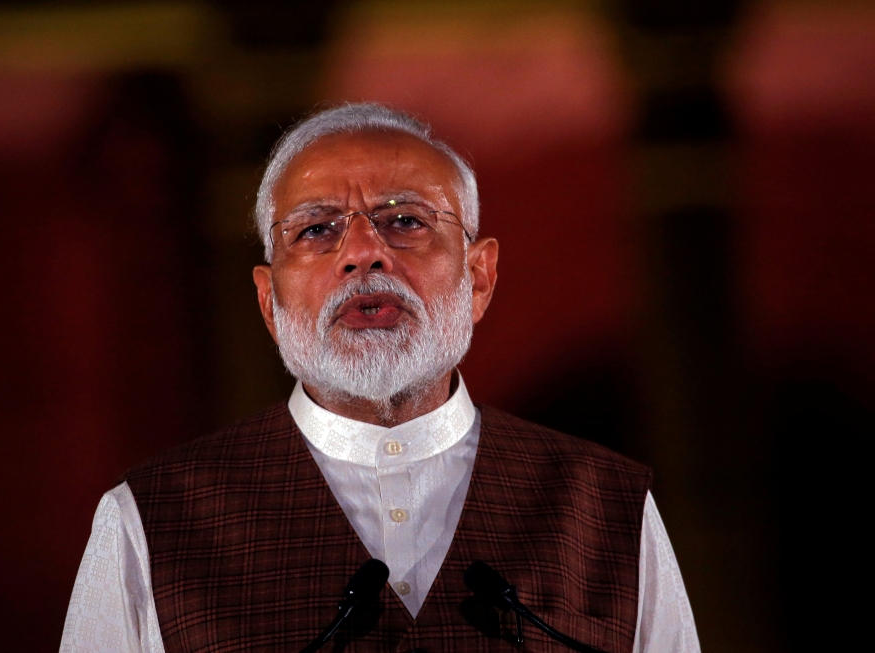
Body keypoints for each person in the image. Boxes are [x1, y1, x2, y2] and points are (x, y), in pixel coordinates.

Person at [59, 103, 699, 653]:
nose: (364, 253)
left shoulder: (607, 506)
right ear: (268, 303)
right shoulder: (150, 520)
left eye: (406, 221)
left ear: (478, 278)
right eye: (317, 229)